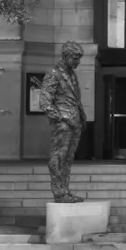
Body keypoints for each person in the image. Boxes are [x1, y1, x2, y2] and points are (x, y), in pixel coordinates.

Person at [38, 42, 86, 203]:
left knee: (68, 158)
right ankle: (59, 192)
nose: (78, 61)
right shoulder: (54, 73)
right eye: (75, 58)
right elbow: (45, 102)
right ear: (65, 56)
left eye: (79, 58)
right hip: (63, 123)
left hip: (75, 122)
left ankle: (65, 190)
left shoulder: (72, 75)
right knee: (58, 157)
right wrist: (60, 119)